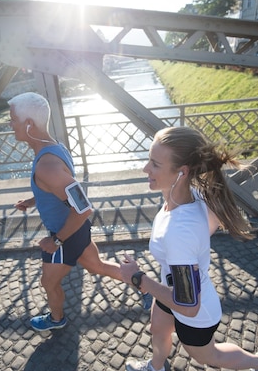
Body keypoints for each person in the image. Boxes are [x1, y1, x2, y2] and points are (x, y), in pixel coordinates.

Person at [120, 126, 258, 371]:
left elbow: (189, 306)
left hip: (195, 310)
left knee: (208, 356)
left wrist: (138, 279)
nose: (145, 169)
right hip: (171, 290)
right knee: (158, 329)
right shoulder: (190, 197)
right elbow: (206, 226)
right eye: (149, 159)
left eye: (155, 164)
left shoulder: (178, 233)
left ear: (181, 172)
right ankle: (156, 370)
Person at [9, 92, 152, 332]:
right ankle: (146, 286)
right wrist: (33, 200)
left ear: (28, 124)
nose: (9, 124)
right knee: (97, 267)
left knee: (48, 282)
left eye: (12, 119)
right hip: (75, 231)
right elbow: (59, 189)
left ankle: (56, 319)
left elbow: (83, 208)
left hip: (66, 233)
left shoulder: (46, 166)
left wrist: (56, 240)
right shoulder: (55, 148)